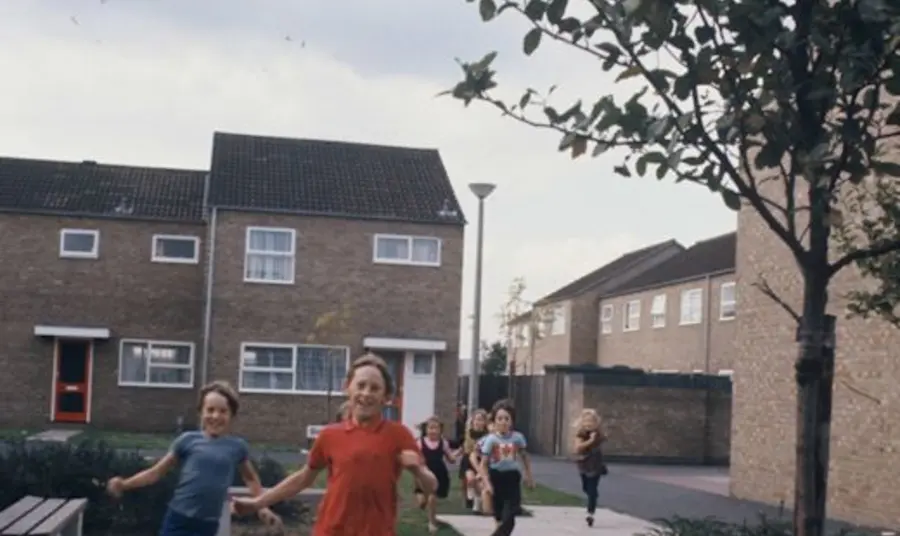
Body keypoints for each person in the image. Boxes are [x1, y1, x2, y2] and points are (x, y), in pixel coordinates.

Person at [232, 353, 438, 536]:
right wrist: (258, 503)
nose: (366, 393)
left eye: (375, 388)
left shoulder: (398, 434)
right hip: (331, 529)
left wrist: (418, 470)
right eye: (361, 385)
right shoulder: (330, 435)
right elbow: (303, 479)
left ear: (386, 397)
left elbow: (432, 486)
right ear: (347, 387)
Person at [106, 381, 281, 536]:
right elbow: (155, 473)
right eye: (210, 410)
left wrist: (261, 507)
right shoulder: (187, 441)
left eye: (223, 411)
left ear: (232, 415)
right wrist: (124, 484)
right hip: (178, 519)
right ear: (201, 413)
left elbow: (250, 478)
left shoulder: (237, 447)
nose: (215, 416)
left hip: (207, 525)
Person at [479, 399, 534, 535]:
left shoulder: (518, 438)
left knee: (511, 514)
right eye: (500, 419)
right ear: (494, 421)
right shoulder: (491, 440)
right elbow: (483, 464)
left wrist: (529, 475)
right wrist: (487, 483)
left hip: (512, 477)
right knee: (499, 514)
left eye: (507, 419)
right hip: (496, 476)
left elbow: (525, 457)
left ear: (512, 421)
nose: (503, 422)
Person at [414, 416, 458, 534]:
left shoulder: (443, 443)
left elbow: (451, 459)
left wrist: (458, 453)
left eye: (436, 428)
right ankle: (426, 506)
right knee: (422, 502)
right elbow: (416, 459)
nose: (433, 431)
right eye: (430, 428)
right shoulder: (420, 442)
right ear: (426, 429)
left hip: (439, 474)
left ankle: (432, 522)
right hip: (424, 473)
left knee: (432, 497)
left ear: (440, 430)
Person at [573, 408, 607, 527]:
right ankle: (592, 497)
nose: (589, 424)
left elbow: (603, 438)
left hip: (595, 465)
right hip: (584, 464)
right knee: (585, 488)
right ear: (582, 422)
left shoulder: (598, 434)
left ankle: (590, 513)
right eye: (586, 421)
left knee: (592, 489)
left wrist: (597, 436)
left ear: (596, 423)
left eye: (591, 421)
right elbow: (577, 448)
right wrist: (590, 440)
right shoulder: (581, 434)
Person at [459, 409, 489, 512]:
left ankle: (477, 502)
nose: (478, 422)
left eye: (481, 420)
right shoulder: (468, 432)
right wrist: (455, 454)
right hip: (468, 460)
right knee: (471, 479)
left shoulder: (488, 435)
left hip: (481, 460)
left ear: (485, 422)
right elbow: (464, 446)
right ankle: (469, 495)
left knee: (478, 483)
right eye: (476, 420)